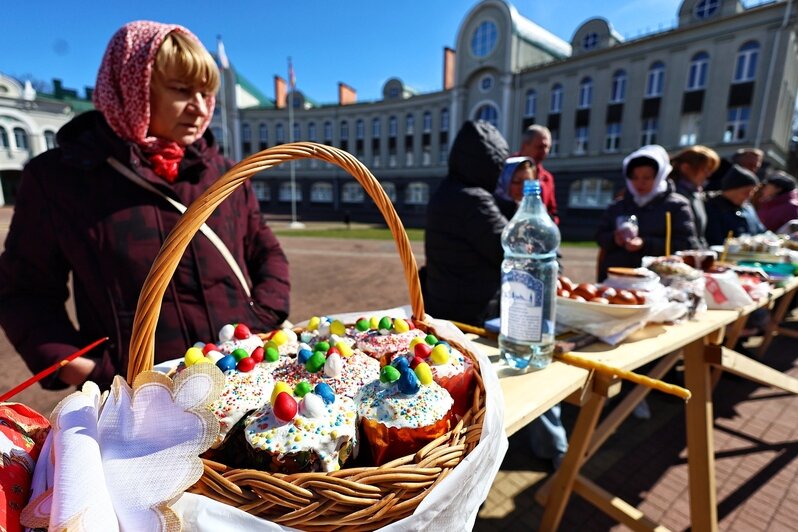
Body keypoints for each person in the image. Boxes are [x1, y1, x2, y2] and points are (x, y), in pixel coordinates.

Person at [0, 21, 290, 391]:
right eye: (183, 90)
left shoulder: (222, 171)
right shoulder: (60, 180)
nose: (201, 109)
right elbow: (24, 292)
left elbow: (265, 249)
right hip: (139, 395)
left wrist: (260, 319)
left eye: (207, 93)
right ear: (132, 86)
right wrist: (89, 369)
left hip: (239, 380)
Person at [424, 120, 510, 325]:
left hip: (442, 299)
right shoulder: (475, 200)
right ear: (488, 164)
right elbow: (507, 248)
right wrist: (514, 208)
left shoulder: (444, 191)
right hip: (472, 309)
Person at [595, 145, 700, 281]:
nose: (640, 183)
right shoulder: (618, 206)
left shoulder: (677, 205)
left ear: (659, 176)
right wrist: (615, 238)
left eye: (647, 177)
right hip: (618, 278)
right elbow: (600, 236)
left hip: (658, 281)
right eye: (635, 177)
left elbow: (686, 244)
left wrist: (645, 243)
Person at [670, 145, 720, 248]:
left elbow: (699, 235)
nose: (708, 175)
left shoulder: (696, 194)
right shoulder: (674, 196)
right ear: (686, 168)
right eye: (705, 170)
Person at [705, 165, 766, 246]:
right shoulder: (712, 208)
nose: (749, 196)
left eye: (752, 192)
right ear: (730, 189)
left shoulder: (748, 208)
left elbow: (761, 232)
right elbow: (714, 240)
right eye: (746, 192)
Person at [518, 125, 558, 224]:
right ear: (525, 146)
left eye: (547, 147)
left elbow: (552, 211)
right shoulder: (508, 169)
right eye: (540, 147)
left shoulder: (547, 178)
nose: (544, 152)